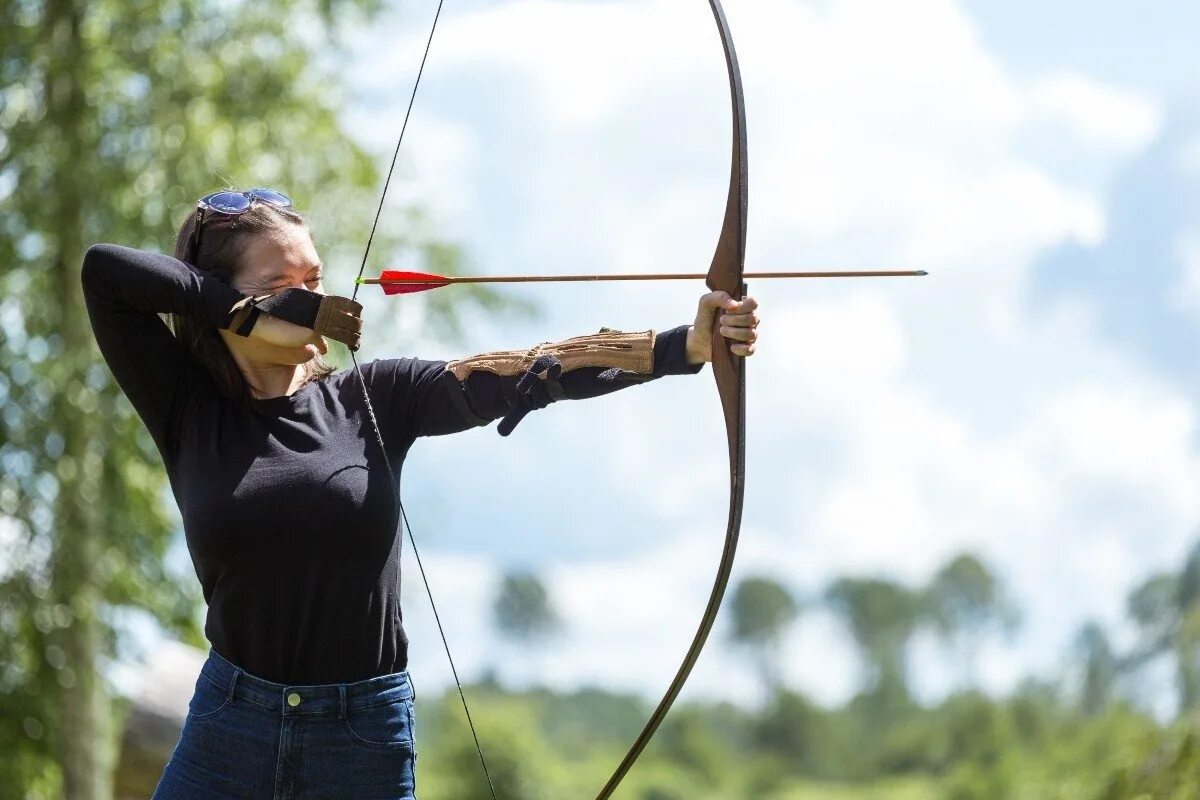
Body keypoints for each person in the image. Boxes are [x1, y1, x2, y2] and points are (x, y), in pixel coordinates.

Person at [81, 187, 761, 799]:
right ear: (228, 300)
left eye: (315, 280)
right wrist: (237, 309)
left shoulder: (374, 398)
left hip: (360, 739)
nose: (314, 300)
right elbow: (104, 273)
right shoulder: (189, 409)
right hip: (231, 728)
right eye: (282, 284)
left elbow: (529, 372)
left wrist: (684, 346)